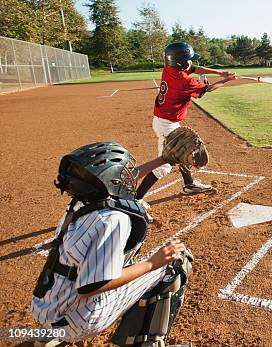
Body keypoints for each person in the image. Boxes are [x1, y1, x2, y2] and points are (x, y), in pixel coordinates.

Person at [32, 142, 193, 346]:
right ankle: (147, 343)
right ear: (112, 181)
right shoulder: (114, 219)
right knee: (175, 263)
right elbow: (91, 287)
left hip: (46, 306)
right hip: (78, 318)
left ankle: (50, 336)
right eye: (123, 174)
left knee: (104, 261)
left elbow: (122, 179)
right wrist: (153, 262)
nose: (128, 177)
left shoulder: (79, 201)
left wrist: (163, 160)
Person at [137, 41, 235, 198]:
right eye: (189, 59)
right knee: (165, 165)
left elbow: (194, 69)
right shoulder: (184, 82)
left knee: (183, 149)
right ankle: (138, 198)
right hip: (166, 125)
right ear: (180, 63)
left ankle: (189, 184)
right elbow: (208, 89)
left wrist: (219, 72)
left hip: (166, 120)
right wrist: (226, 80)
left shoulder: (169, 69)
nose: (191, 62)